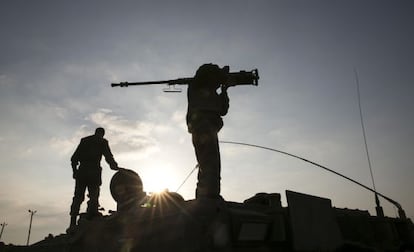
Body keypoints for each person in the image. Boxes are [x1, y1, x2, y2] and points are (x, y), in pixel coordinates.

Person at [186, 63, 230, 199]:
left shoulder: (202, 90)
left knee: (209, 166)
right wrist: (223, 89)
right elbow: (220, 108)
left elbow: (222, 110)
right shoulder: (199, 90)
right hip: (204, 129)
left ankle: (207, 197)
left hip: (205, 129)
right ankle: (207, 199)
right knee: (210, 166)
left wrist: (224, 90)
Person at [69, 127, 119, 229]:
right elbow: (108, 156)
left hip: (82, 172)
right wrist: (114, 165)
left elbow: (74, 159)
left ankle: (73, 222)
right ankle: (89, 217)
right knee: (93, 196)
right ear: (102, 134)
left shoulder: (84, 141)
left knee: (79, 197)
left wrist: (75, 171)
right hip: (93, 173)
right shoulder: (102, 142)